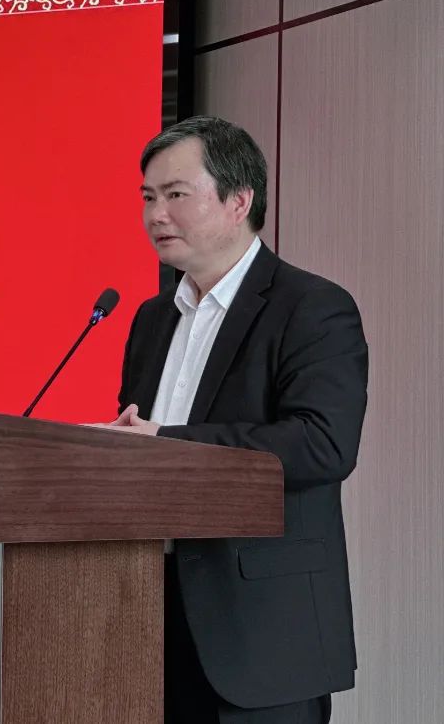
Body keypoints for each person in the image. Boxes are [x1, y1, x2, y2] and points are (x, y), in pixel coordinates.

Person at [104, 116, 368, 723]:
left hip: (262, 631)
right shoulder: (151, 319)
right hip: (147, 623)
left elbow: (323, 445)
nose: (156, 215)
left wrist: (164, 444)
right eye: (147, 197)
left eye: (175, 194)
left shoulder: (313, 307)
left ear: (239, 201)